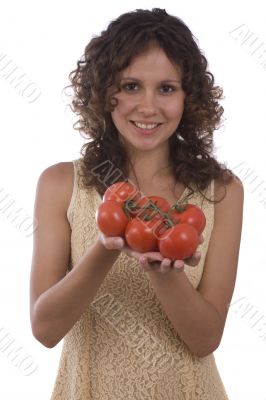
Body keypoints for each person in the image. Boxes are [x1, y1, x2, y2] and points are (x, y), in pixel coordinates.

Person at [30, 7, 244, 399]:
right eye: (130, 86)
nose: (148, 107)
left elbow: (205, 339)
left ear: (188, 96)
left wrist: (161, 267)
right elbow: (45, 330)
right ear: (103, 91)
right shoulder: (61, 184)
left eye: (166, 88)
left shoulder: (222, 191)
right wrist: (107, 246)